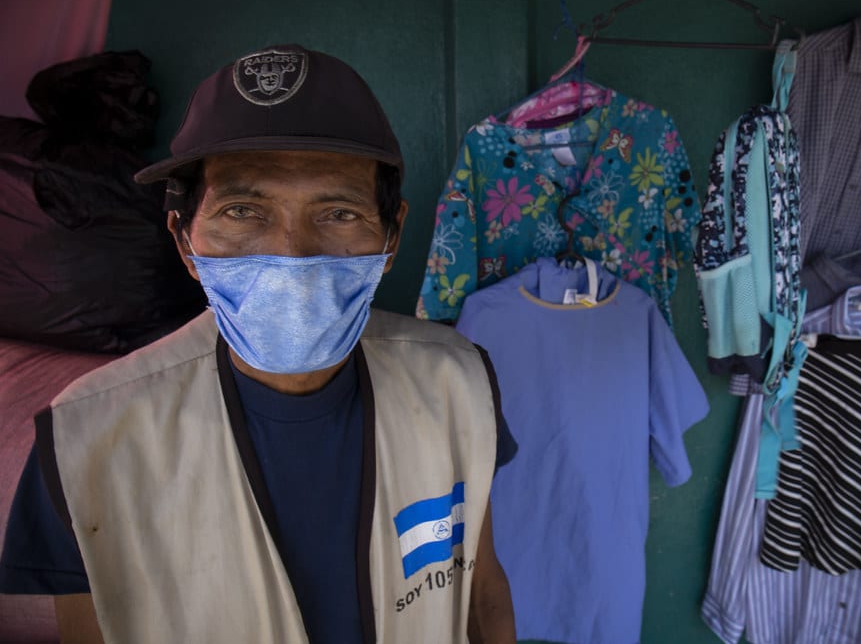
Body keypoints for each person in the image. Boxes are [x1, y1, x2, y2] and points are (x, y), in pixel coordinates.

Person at [0, 44, 517, 643]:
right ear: (185, 241)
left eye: (340, 213)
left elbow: (481, 595)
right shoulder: (81, 442)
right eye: (244, 210)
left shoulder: (459, 385)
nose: (292, 255)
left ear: (392, 235)